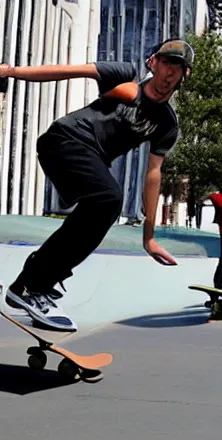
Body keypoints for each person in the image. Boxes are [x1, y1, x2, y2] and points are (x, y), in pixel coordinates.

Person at [0, 39, 195, 331]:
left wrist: (148, 236)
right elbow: (67, 71)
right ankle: (32, 286)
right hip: (65, 140)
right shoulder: (123, 74)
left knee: (101, 210)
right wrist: (12, 71)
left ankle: (38, 280)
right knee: (108, 199)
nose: (169, 74)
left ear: (184, 75)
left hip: (87, 160)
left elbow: (153, 174)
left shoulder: (167, 124)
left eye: (176, 68)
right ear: (152, 62)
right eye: (165, 63)